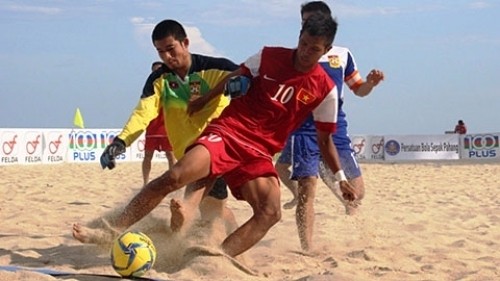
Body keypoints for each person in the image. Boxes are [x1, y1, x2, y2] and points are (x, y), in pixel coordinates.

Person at [74, 14, 358, 258]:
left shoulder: (325, 90)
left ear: (327, 49)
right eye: (303, 43)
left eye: (314, 49)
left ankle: (213, 256)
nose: (305, 52)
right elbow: (234, 75)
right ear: (299, 36)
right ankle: (111, 232)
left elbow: (325, 141)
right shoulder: (269, 55)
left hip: (259, 152)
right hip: (228, 133)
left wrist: (341, 179)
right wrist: (218, 93)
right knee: (174, 177)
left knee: (270, 211)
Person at [73, 19, 238, 243]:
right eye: (161, 52)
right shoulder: (158, 79)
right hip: (186, 153)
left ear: (185, 43)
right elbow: (143, 113)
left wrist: (241, 85)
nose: (167, 57)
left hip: (216, 147)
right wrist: (120, 143)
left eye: (171, 49)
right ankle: (231, 243)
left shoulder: (216, 68)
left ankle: (114, 231)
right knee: (214, 209)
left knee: (168, 187)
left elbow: (250, 77)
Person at [275, 1, 385, 251]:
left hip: (336, 127)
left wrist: (371, 83)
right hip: (303, 129)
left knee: (357, 195)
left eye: (312, 20)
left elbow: (359, 90)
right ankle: (308, 249)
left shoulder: (343, 55)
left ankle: (328, 174)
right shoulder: (297, 55)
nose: (307, 26)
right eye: (303, 22)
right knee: (306, 192)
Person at [142, 61, 176, 185]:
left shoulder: (171, 85)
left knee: (171, 155)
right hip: (152, 126)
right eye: (154, 71)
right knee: (148, 156)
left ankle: (173, 182)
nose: (157, 73)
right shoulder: (150, 87)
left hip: (167, 126)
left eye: (159, 70)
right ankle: (145, 183)